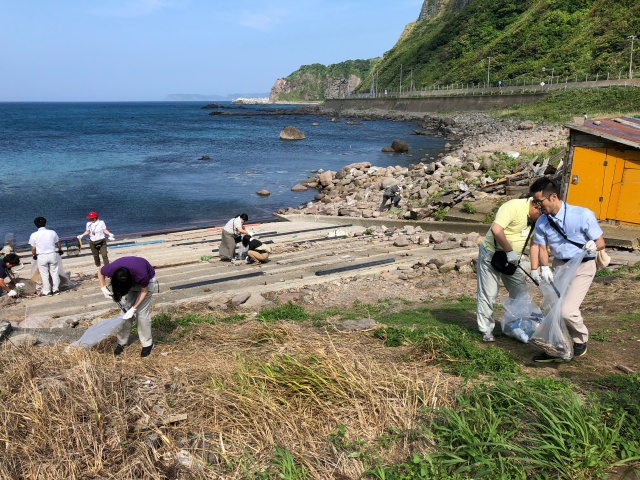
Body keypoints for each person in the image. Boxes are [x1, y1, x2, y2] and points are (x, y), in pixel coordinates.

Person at [528, 177, 604, 363]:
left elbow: (601, 242)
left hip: (583, 265)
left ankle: (580, 339)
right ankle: (558, 346)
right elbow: (541, 246)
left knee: (567, 311)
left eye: (539, 201)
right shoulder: (542, 222)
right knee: (551, 307)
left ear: (553, 197)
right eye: (535, 202)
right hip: (560, 266)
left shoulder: (582, 215)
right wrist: (543, 267)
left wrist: (594, 247)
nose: (537, 206)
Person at [476, 197, 541, 342]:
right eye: (542, 214)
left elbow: (535, 244)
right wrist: (509, 251)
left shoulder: (537, 219)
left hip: (512, 260)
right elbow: (496, 229)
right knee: (489, 293)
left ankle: (518, 326)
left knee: (521, 292)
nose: (543, 218)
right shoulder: (513, 207)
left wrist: (535, 270)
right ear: (535, 207)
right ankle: (486, 330)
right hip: (492, 254)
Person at [98, 256, 157, 357]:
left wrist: (134, 308)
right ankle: (122, 342)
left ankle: (148, 344)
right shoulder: (111, 270)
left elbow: (144, 291)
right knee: (124, 314)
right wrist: (103, 287)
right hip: (127, 281)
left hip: (146, 283)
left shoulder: (141, 274)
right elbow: (100, 271)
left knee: (141, 314)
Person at [28, 217, 63, 296]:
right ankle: (56, 289)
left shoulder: (34, 235)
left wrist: (34, 255)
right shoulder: (52, 232)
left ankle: (47, 291)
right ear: (45, 223)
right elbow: (58, 243)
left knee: (44, 274)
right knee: (54, 272)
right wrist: (60, 250)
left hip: (41, 256)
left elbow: (33, 248)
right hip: (52, 254)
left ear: (35, 225)